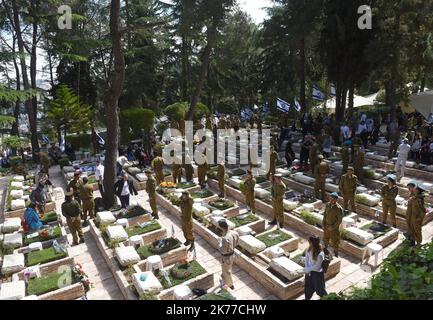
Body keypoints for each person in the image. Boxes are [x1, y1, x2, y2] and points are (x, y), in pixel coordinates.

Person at [303, 236, 328, 300]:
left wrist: (307, 269)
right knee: (307, 289)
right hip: (309, 273)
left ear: (311, 243)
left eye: (309, 241)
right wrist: (306, 268)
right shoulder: (308, 249)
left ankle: (327, 299)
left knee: (321, 291)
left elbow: (317, 267)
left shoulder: (320, 254)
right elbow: (306, 259)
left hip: (317, 274)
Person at [218, 219, 239, 290]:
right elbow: (237, 242)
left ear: (221, 227)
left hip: (227, 257)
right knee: (226, 268)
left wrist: (220, 242)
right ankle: (223, 275)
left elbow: (223, 251)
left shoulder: (225, 238)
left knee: (227, 271)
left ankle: (230, 284)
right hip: (232, 254)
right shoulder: (234, 232)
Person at [322, 193, 343, 257]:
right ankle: (325, 252)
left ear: (336, 200)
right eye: (330, 198)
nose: (331, 200)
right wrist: (323, 224)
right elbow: (325, 215)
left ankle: (336, 254)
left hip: (334, 229)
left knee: (335, 242)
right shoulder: (328, 205)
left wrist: (332, 227)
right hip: (326, 226)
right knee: (325, 239)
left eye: (333, 199)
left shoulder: (338, 209)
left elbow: (339, 221)